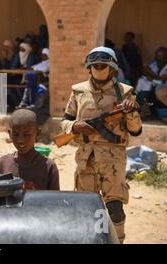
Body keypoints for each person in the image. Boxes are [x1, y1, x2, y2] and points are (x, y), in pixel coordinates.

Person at [61, 46, 142, 243]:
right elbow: (64, 121)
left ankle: (117, 240)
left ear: (112, 68)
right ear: (89, 67)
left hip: (113, 160)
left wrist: (131, 113)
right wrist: (75, 126)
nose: (99, 68)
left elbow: (136, 130)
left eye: (103, 65)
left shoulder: (125, 93)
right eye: (95, 65)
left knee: (115, 209)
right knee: (85, 208)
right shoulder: (78, 91)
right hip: (86, 158)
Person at [0, 109, 59, 190]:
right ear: (10, 134)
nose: (20, 140)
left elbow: (55, 200)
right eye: (16, 134)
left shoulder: (48, 167)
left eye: (27, 134)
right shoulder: (3, 163)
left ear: (38, 134)